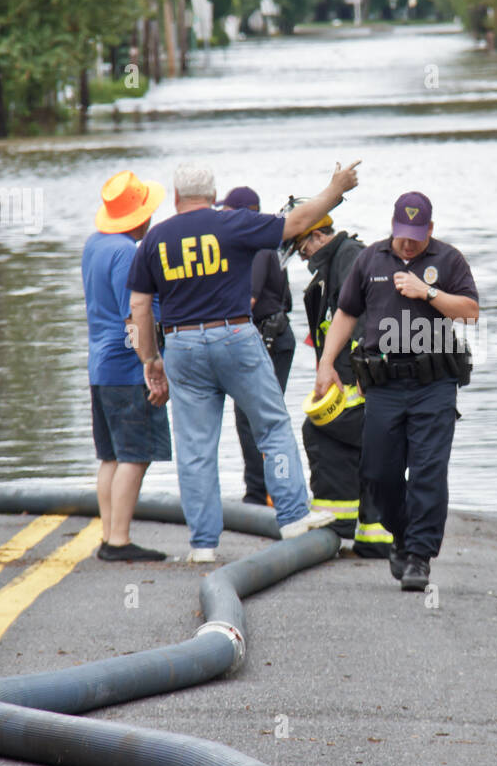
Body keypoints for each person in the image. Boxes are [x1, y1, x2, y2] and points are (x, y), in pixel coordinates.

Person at [126, 161, 361, 562]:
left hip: (181, 344)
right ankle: (290, 517)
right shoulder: (232, 223)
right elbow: (296, 222)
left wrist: (151, 358)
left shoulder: (155, 240)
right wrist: (335, 189)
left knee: (196, 448)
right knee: (270, 426)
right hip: (235, 335)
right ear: (214, 196)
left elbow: (140, 306)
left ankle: (202, 545)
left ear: (177, 196)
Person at [314, 192, 478, 591]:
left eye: (416, 236)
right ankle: (402, 536)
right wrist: (325, 364)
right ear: (392, 227)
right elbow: (346, 313)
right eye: (402, 235)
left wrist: (428, 293)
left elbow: (470, 311)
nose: (408, 243)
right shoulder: (370, 259)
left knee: (427, 471)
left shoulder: (448, 260)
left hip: (434, 384)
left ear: (431, 230)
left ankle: (419, 556)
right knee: (378, 472)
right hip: (383, 385)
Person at [282, 205, 392, 556]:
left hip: (366, 379)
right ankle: (349, 524)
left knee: (330, 433)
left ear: (318, 235)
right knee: (341, 438)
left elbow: (371, 313)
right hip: (345, 379)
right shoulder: (329, 269)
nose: (303, 258)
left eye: (304, 248)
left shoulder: (350, 258)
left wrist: (367, 369)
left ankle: (360, 527)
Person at [82, 170, 171, 562]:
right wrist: (148, 360)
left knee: (111, 456)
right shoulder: (126, 253)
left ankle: (108, 533)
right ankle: (118, 540)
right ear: (139, 217)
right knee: (135, 453)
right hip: (124, 368)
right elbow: (132, 319)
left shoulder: (94, 244)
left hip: (99, 366)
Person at [221, 186, 296, 506]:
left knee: (253, 416)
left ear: (241, 213)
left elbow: (247, 299)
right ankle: (263, 489)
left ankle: (261, 492)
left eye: (226, 213)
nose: (221, 219)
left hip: (269, 338)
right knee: (256, 415)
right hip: (271, 336)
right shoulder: (265, 244)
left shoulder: (255, 249)